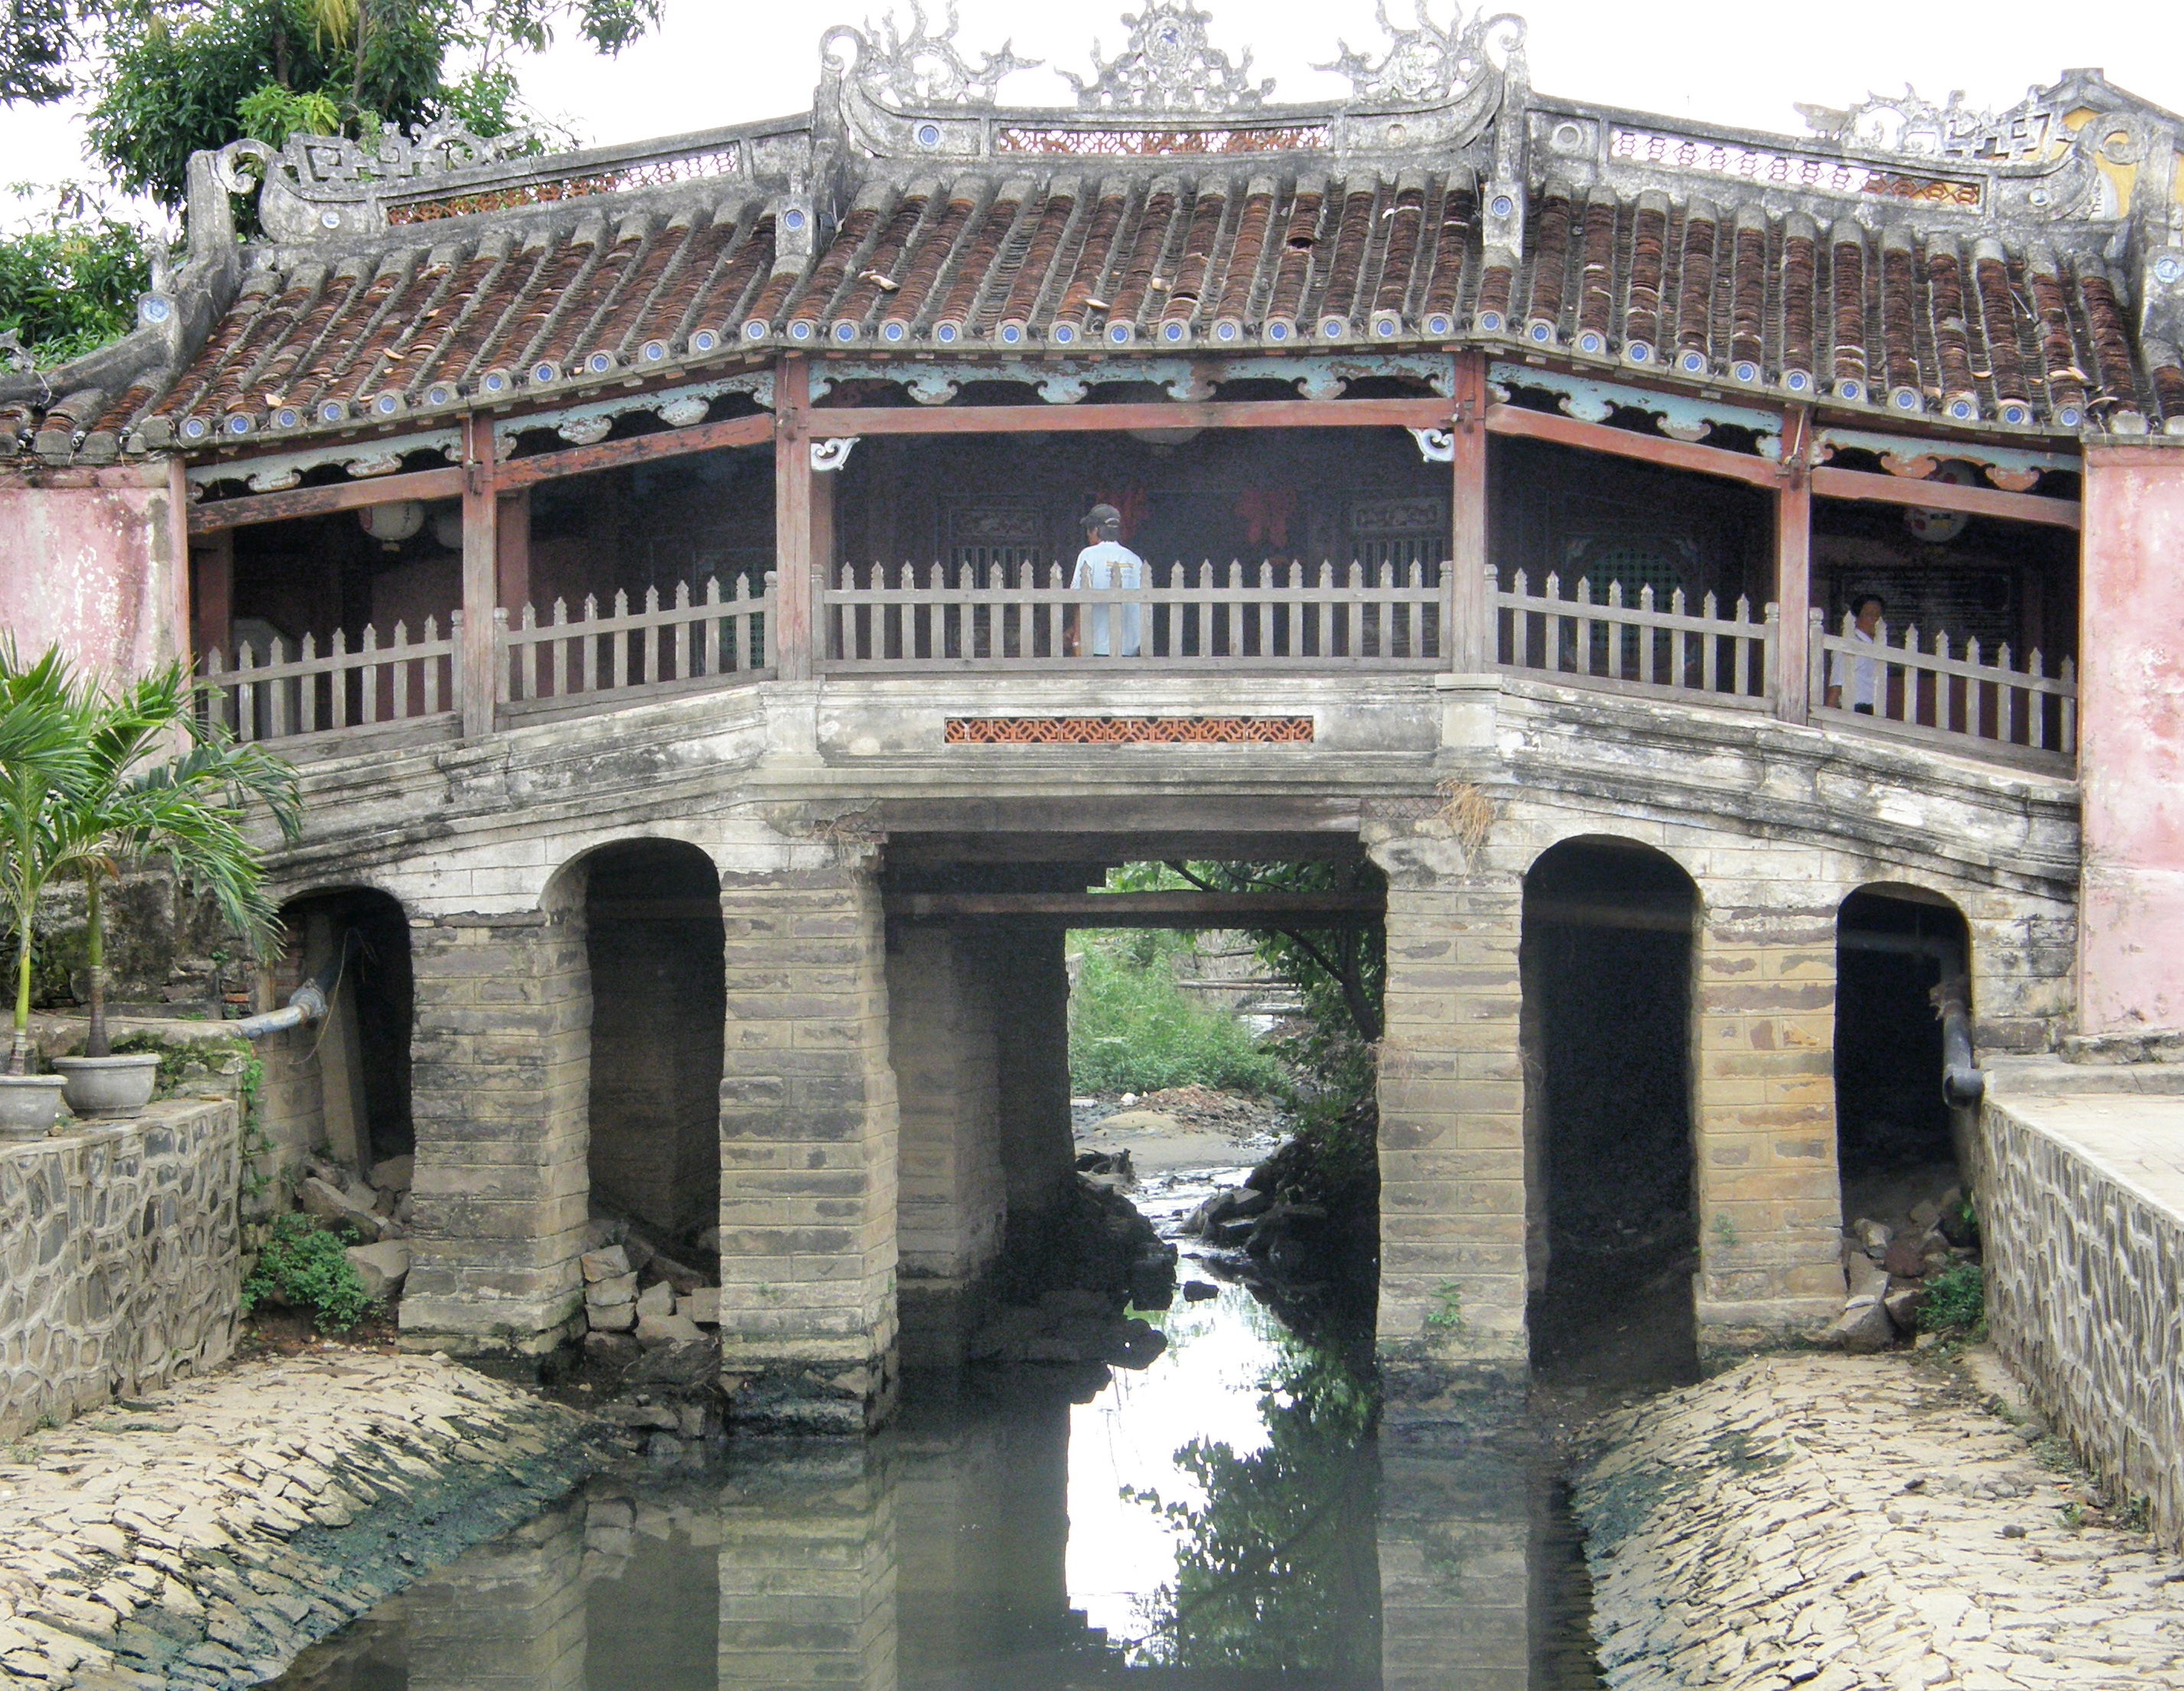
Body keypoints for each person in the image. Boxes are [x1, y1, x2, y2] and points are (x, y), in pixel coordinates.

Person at [1071, 503, 1144, 659]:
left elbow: (1079, 599)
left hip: (1096, 645)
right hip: (1129, 647)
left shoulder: (1088, 555)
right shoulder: (1134, 559)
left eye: (1088, 532)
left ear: (1096, 531)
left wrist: (1077, 640)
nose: (1088, 536)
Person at [1825, 593, 1886, 714]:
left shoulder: (1877, 647)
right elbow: (1836, 684)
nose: (1875, 619)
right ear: (1857, 618)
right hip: (1854, 709)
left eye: (1878, 615)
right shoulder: (1848, 645)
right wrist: (1828, 715)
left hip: (1875, 710)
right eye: (1869, 614)